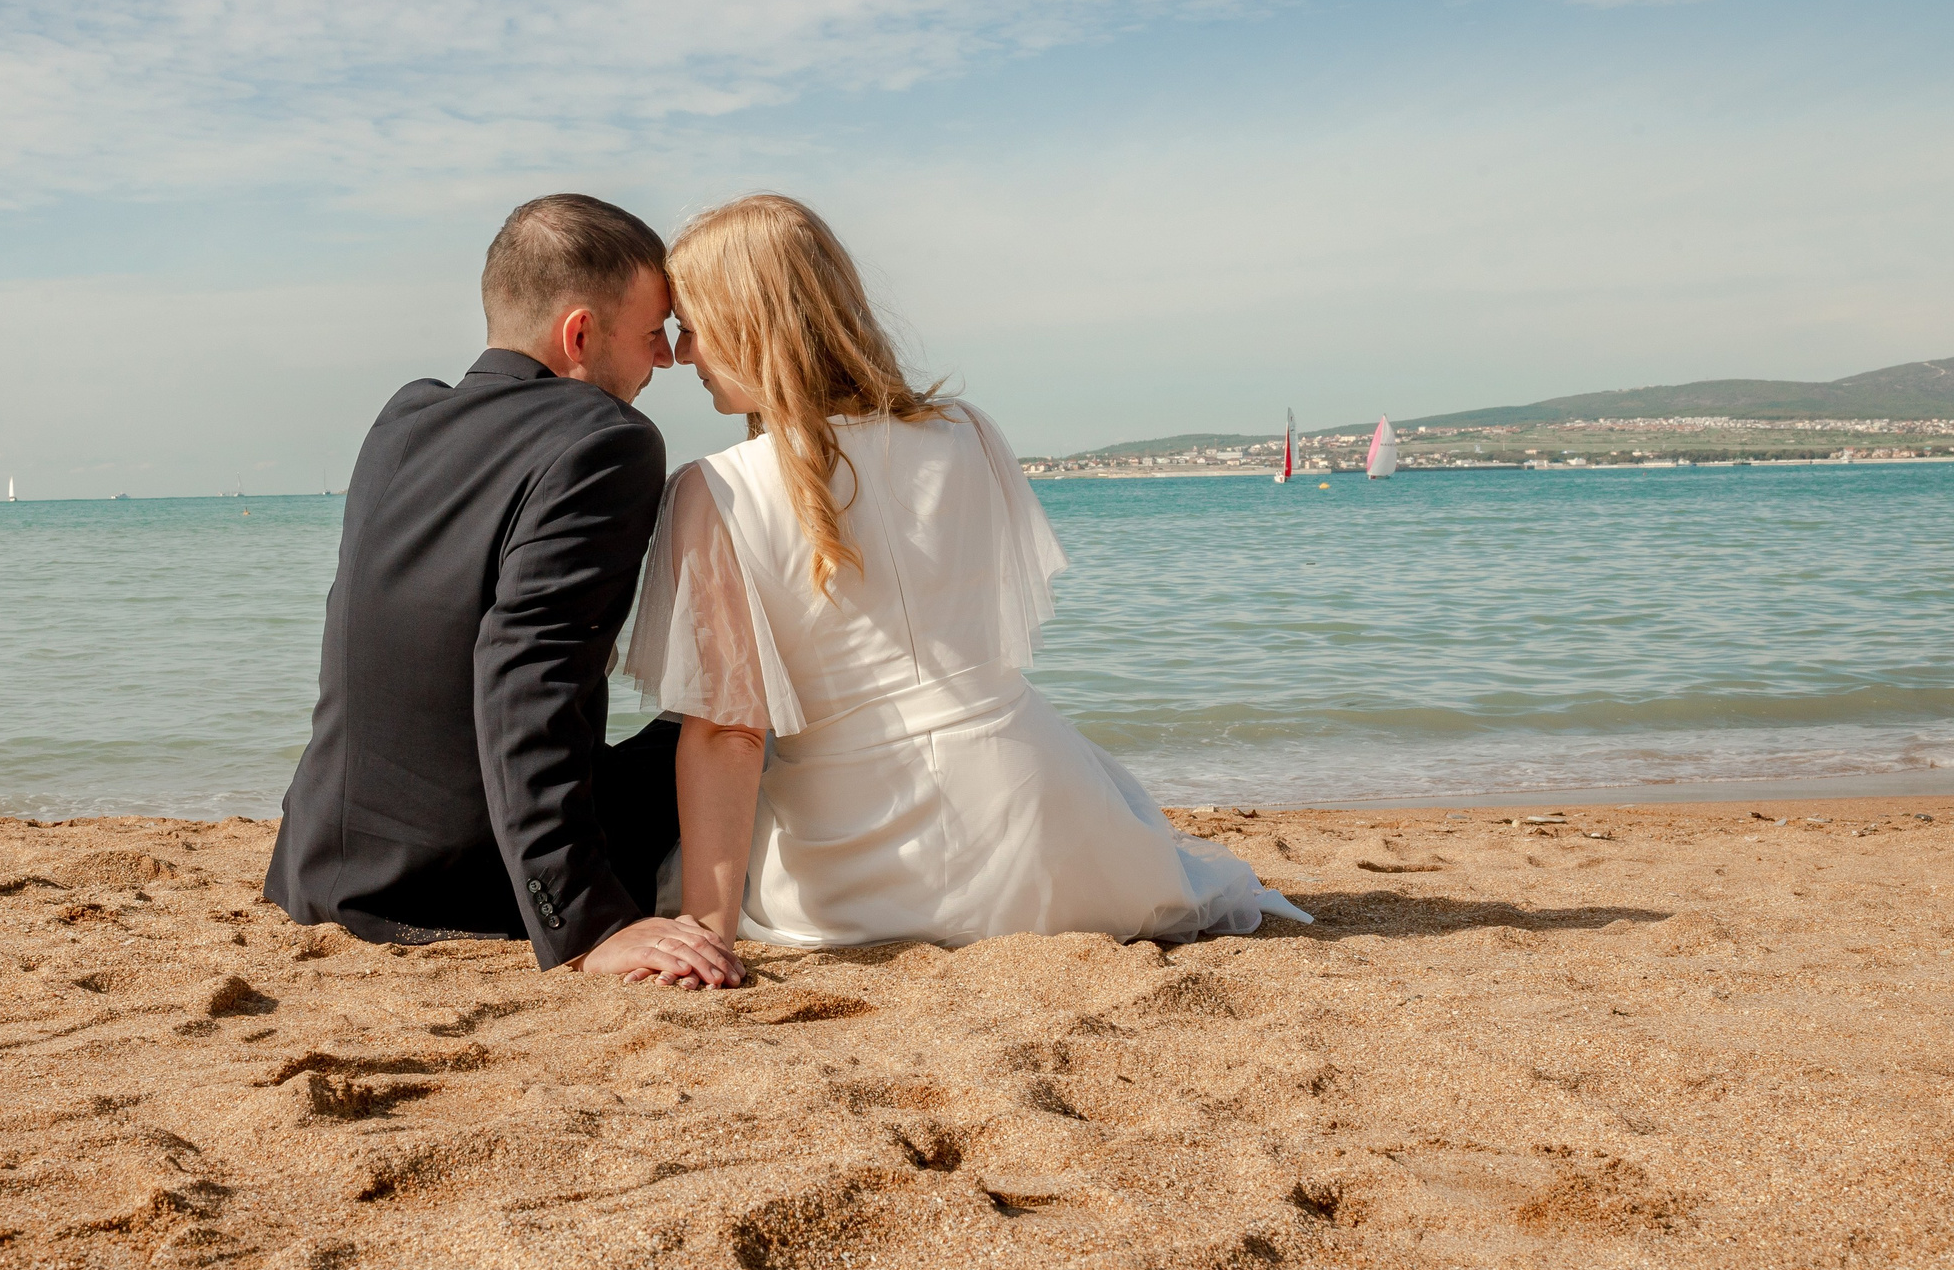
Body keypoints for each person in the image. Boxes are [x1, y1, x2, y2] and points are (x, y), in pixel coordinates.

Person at [625, 193, 1311, 950]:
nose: (680, 353)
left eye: (691, 327)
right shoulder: (971, 433)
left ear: (747, 325)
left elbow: (728, 732)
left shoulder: (715, 488)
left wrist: (706, 925)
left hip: (855, 867)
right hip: (1051, 832)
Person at [266, 194, 745, 988]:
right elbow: (527, 677)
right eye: (653, 332)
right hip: (461, 882)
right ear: (580, 333)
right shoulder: (607, 439)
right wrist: (588, 924)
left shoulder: (404, 416)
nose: (665, 358)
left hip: (320, 864)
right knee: (743, 727)